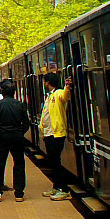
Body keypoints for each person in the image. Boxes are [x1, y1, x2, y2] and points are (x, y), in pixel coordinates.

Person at [0, 79, 30, 202]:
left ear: (2, 92)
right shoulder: (21, 105)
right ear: (14, 92)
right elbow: (26, 123)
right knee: (19, 164)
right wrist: (19, 132)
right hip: (17, 137)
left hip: (2, 137)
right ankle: (19, 194)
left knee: (0, 163)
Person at [40, 72, 74, 201]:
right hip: (49, 133)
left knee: (55, 161)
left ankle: (64, 190)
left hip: (56, 134)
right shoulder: (50, 96)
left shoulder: (58, 93)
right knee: (52, 161)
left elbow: (65, 96)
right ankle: (56, 186)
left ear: (48, 82)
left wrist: (67, 87)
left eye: (44, 82)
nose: (44, 84)